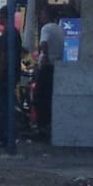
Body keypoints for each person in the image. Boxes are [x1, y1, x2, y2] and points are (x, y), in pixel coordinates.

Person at [36, 9, 65, 141]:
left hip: (47, 67)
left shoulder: (46, 28)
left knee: (39, 97)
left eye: (42, 14)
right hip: (57, 67)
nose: (40, 16)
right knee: (49, 97)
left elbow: (44, 43)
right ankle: (49, 125)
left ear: (47, 15)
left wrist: (45, 57)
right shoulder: (59, 29)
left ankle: (42, 126)